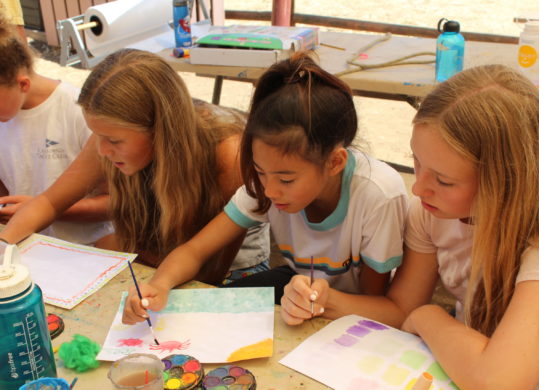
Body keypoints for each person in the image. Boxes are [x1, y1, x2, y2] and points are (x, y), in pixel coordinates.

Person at [283, 64, 539, 389]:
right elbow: (400, 308)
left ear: (505, 182)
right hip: (463, 361)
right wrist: (319, 299)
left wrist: (428, 316)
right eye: (416, 161)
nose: (418, 189)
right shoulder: (431, 213)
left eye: (443, 180)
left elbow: (501, 381)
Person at [122, 52, 408, 324]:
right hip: (298, 289)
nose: (270, 191)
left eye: (286, 180)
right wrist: (159, 284)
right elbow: (195, 250)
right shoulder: (267, 185)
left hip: (350, 306)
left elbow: (377, 303)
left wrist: (323, 300)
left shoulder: (377, 194)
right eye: (260, 172)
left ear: (334, 162)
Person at [0, 48, 270, 284]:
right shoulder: (111, 134)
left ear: (159, 130)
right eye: (98, 136)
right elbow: (48, 203)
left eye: (114, 140)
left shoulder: (227, 154)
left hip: (229, 269)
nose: (103, 151)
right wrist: (3, 250)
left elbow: (210, 270)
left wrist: (153, 285)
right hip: (161, 256)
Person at [0, 11, 112, 244]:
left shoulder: (78, 111)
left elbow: (116, 202)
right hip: (25, 248)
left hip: (88, 248)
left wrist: (38, 209)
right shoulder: (6, 113)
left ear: (23, 84)